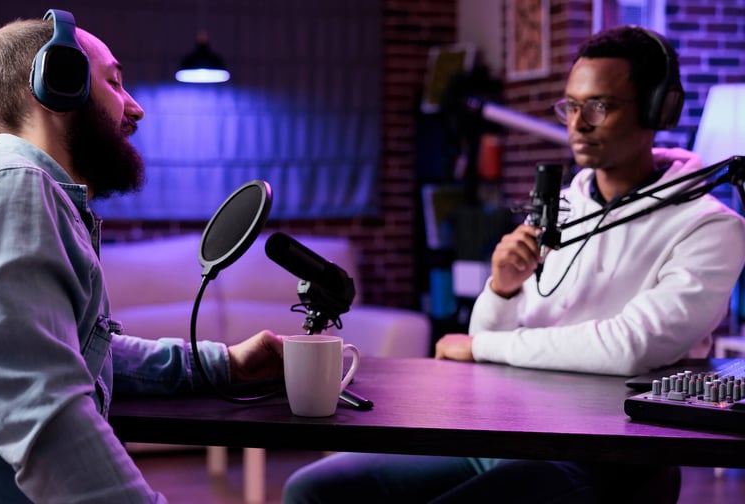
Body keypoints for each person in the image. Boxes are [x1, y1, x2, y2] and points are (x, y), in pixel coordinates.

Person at [283, 25, 745, 504]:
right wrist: (501, 289)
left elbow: (632, 347)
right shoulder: (560, 208)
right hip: (499, 431)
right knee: (314, 490)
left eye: (600, 106)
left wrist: (483, 345)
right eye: (571, 105)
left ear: (657, 111)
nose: (577, 124)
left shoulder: (710, 227)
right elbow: (491, 333)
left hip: (600, 453)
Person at [0, 10, 284, 503]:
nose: (134, 108)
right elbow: (43, 414)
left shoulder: (13, 186)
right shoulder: (13, 188)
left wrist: (225, 364)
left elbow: (67, 352)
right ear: (59, 83)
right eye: (114, 83)